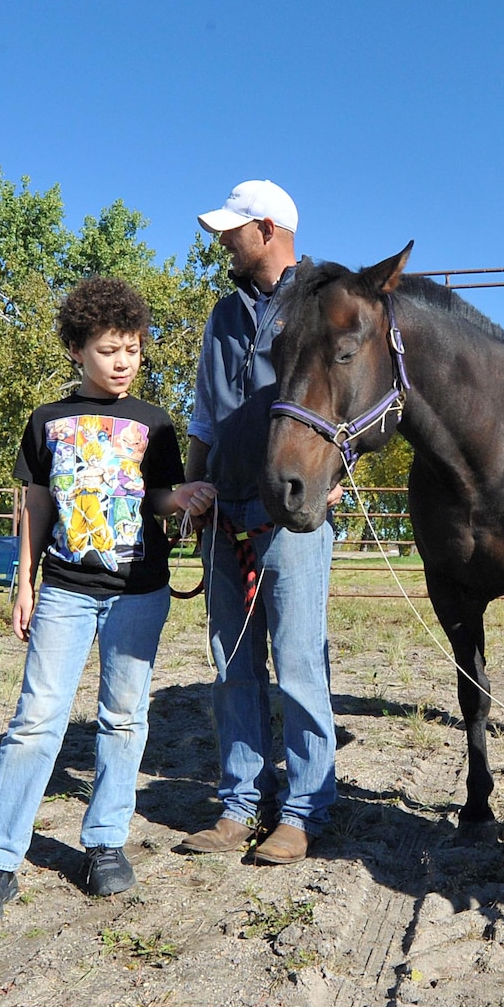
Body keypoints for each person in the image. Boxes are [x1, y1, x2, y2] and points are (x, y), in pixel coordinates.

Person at [0, 278, 214, 926]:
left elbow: (155, 498)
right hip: (65, 593)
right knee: (36, 720)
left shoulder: (155, 424)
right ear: (76, 350)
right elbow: (35, 505)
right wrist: (24, 582)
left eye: (132, 349)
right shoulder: (46, 422)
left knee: (124, 719)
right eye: (108, 349)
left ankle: (105, 844)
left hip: (139, 595)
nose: (123, 361)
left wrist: (177, 501)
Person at [178, 179, 338, 865]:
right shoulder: (224, 313)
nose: (222, 241)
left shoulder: (329, 305)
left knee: (300, 665)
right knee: (232, 666)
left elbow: (353, 401)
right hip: (226, 510)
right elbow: (206, 414)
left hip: (292, 517)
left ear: (268, 229)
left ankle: (304, 809)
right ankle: (240, 803)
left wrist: (334, 479)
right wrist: (192, 484)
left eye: (232, 230)